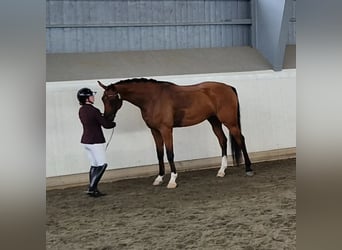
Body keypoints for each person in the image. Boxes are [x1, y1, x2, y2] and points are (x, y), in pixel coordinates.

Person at [77, 87, 116, 197]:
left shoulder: (82, 110)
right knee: (102, 165)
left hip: (86, 141)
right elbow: (106, 125)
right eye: (91, 96)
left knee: (94, 165)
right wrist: (113, 124)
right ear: (86, 98)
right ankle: (92, 187)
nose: (93, 97)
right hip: (96, 141)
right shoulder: (94, 110)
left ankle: (93, 189)